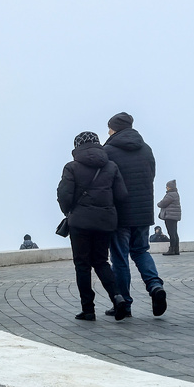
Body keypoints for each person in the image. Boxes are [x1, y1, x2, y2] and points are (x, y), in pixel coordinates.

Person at [57, 132, 130, 321]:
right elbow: (121, 195)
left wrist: (69, 211)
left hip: (80, 222)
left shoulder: (71, 167)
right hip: (105, 222)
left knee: (82, 265)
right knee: (101, 261)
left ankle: (88, 309)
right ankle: (117, 297)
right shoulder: (111, 166)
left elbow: (65, 195)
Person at [102, 112, 167, 317]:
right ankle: (155, 287)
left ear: (115, 128)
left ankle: (124, 304)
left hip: (120, 214)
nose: (108, 131)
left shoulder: (109, 150)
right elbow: (152, 176)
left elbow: (105, 182)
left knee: (120, 259)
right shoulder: (146, 149)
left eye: (110, 127)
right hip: (143, 212)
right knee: (141, 252)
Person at [157, 180, 182, 256]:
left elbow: (162, 203)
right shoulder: (175, 194)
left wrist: (158, 203)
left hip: (170, 216)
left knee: (171, 233)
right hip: (174, 216)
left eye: (167, 186)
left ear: (170, 187)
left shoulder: (170, 195)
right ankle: (176, 249)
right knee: (174, 233)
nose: (166, 188)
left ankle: (172, 249)